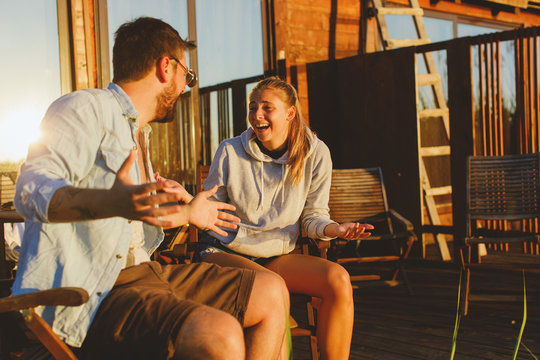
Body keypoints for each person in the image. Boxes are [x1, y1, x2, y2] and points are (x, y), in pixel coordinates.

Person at [13, 18, 289, 360]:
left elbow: (130, 223)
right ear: (165, 67)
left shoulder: (138, 134)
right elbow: (29, 191)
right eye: (186, 76)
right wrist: (110, 202)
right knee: (219, 334)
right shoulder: (85, 108)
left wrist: (189, 213)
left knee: (271, 290)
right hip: (95, 293)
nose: (187, 88)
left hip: (146, 274)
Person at [197, 76, 374, 360]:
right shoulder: (230, 151)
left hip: (274, 256)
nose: (257, 115)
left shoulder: (316, 154)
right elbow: (209, 210)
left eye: (267, 107)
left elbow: (313, 217)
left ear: (290, 113)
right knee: (273, 289)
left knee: (338, 280)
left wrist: (336, 230)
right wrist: (190, 207)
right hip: (223, 251)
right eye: (253, 107)